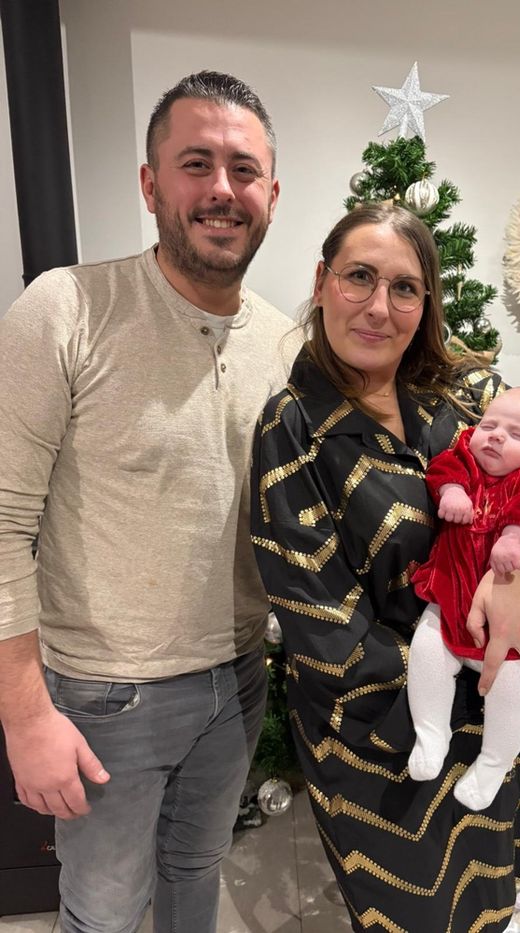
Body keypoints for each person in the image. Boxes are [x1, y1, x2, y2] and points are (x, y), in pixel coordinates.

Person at [251, 202, 520, 932]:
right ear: (323, 282)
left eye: (405, 287)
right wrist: (463, 679)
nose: (379, 306)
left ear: (426, 304)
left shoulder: (467, 395)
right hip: (383, 736)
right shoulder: (293, 427)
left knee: (488, 903)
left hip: (491, 713)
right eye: (359, 277)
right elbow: (320, 617)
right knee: (412, 912)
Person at [0, 71, 297, 933]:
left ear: (271, 196)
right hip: (103, 697)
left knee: (196, 872)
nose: (222, 189)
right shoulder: (66, 309)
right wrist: (25, 713)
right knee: (103, 910)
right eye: (195, 163)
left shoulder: (284, 344)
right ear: (150, 183)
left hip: (238, 680)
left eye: (244, 170)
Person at [408, 386, 520, 811]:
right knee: (426, 651)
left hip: (508, 625)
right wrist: (452, 491)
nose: (496, 436)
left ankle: (494, 763)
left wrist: (515, 537)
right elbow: (444, 466)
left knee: (513, 689)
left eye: (518, 435)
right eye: (489, 425)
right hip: (450, 596)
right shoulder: (467, 454)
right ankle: (431, 734)